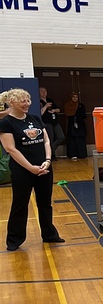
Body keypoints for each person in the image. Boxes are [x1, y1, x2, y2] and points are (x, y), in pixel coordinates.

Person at [0, 89, 64, 251]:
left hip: (43, 168)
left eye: (28, 100)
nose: (27, 103)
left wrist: (48, 161)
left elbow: (46, 141)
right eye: (23, 101)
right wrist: (30, 168)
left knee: (45, 203)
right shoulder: (6, 123)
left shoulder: (35, 118)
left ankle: (49, 234)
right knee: (20, 204)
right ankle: (14, 240)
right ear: (12, 103)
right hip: (22, 171)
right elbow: (11, 149)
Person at [39, 87, 64, 161]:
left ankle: (51, 150)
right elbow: (40, 113)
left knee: (61, 137)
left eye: (45, 91)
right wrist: (46, 106)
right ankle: (51, 155)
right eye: (42, 91)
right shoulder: (39, 101)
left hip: (55, 121)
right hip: (46, 122)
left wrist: (54, 110)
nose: (44, 92)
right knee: (50, 138)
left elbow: (58, 109)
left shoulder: (50, 100)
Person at [63, 92, 87, 160]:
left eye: (76, 97)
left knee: (80, 139)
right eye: (73, 97)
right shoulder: (67, 105)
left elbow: (84, 115)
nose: (75, 99)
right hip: (71, 123)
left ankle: (81, 154)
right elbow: (67, 113)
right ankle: (73, 154)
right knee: (72, 139)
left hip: (80, 124)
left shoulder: (81, 105)